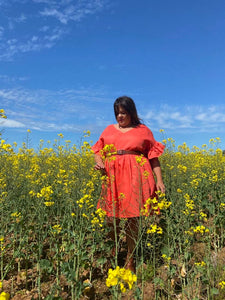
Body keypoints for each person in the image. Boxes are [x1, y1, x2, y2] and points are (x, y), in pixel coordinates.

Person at [92, 96, 165, 273]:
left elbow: (153, 157)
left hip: (137, 175)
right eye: (117, 113)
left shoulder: (143, 131)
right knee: (111, 218)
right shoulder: (108, 130)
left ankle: (130, 260)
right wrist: (100, 162)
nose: (120, 117)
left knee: (133, 219)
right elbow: (97, 151)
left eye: (123, 113)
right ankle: (113, 253)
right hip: (113, 176)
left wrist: (159, 180)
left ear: (131, 113)